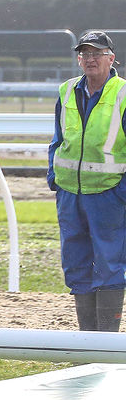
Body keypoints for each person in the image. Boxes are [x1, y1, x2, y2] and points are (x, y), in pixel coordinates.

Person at [47, 30, 126, 332]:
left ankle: (104, 343)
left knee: (109, 264)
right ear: (79, 58)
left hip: (109, 194)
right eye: (85, 53)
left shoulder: (122, 93)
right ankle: (87, 340)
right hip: (70, 194)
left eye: (97, 53)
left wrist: (122, 192)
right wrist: (54, 176)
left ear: (111, 58)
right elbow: (58, 137)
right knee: (76, 264)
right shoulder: (66, 90)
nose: (91, 59)